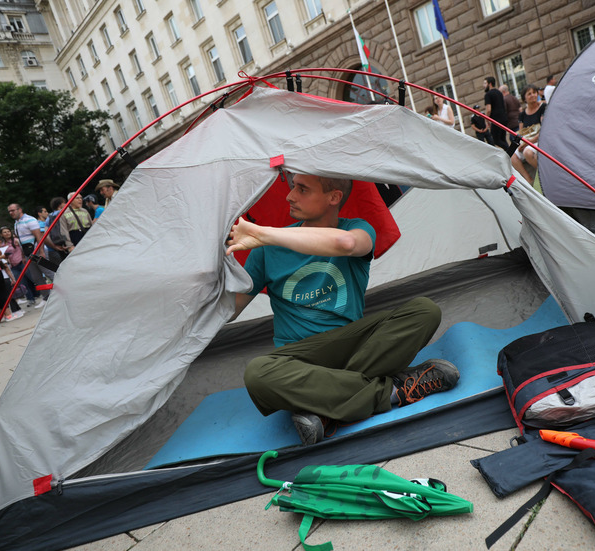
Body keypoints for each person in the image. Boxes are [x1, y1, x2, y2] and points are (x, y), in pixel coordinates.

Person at [227, 173, 459, 445]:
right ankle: (394, 390)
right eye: (293, 187)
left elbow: (345, 244)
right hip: (299, 360)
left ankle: (323, 408)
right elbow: (229, 310)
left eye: (302, 189)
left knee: (424, 310)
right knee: (258, 373)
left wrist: (262, 233)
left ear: (333, 198)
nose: (290, 196)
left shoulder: (358, 229)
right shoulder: (264, 252)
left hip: (351, 345)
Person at [0, 227, 45, 309]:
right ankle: (30, 299)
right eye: (4, 232)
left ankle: (43, 294)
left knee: (33, 278)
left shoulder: (16, 240)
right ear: (1, 234)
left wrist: (24, 257)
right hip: (13, 265)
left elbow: (22, 249)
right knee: (22, 283)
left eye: (8, 231)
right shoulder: (2, 245)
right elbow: (5, 255)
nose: (7, 233)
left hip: (21, 262)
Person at [511, 84, 546, 182]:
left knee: (527, 152)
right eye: (529, 94)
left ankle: (543, 176)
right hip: (528, 142)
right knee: (512, 155)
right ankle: (528, 179)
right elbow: (521, 133)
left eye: (534, 92)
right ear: (524, 98)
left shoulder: (543, 107)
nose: (533, 95)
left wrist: (529, 141)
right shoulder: (522, 114)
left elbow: (544, 129)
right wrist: (521, 144)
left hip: (540, 140)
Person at [482, 77, 511, 155]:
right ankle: (510, 155)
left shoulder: (488, 95)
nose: (483, 85)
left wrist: (486, 120)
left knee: (496, 140)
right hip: (503, 118)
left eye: (485, 83)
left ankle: (511, 153)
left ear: (490, 84)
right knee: (503, 139)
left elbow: (488, 109)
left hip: (496, 120)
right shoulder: (499, 92)